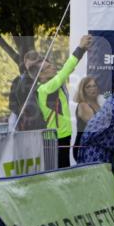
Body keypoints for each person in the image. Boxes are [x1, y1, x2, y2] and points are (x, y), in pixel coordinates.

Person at [35, 34, 93, 167]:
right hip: (55, 138)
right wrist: (80, 48)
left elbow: (69, 68)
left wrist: (83, 50)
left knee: (64, 169)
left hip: (63, 135)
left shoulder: (53, 85)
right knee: (58, 172)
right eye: (48, 68)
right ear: (41, 75)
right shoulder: (44, 89)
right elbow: (65, 71)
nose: (53, 68)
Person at [73, 76, 101, 159]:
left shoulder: (98, 104)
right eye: (88, 86)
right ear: (83, 90)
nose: (92, 88)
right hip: (84, 147)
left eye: (94, 85)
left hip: (95, 147)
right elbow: (96, 126)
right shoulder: (83, 105)